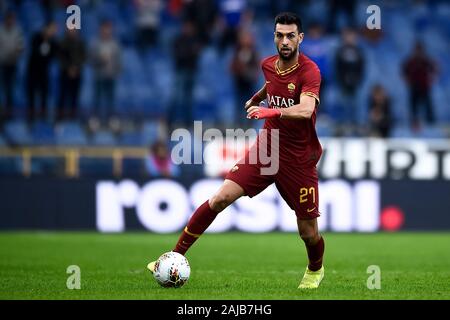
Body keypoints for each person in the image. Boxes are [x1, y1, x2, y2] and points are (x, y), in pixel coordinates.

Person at [148, 12, 325, 289]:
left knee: (308, 232)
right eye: (280, 35)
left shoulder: (309, 71)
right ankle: (173, 255)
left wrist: (268, 110)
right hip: (267, 148)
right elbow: (272, 85)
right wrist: (257, 97)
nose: (285, 41)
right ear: (274, 37)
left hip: (299, 159)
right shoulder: (268, 65)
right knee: (220, 198)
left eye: (291, 35)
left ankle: (315, 269)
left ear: (300, 38)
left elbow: (306, 110)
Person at [26, 21, 58, 123]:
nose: (53, 32)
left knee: (44, 95)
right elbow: (36, 53)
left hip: (44, 72)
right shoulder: (36, 38)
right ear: (46, 28)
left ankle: (43, 118)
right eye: (52, 29)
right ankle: (31, 119)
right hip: (33, 71)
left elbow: (53, 56)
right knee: (32, 96)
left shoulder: (53, 42)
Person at [402, 41, 437, 129]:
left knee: (428, 106)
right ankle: (414, 123)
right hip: (414, 87)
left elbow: (434, 70)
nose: (418, 52)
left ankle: (431, 123)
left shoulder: (426, 61)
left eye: (420, 50)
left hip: (424, 86)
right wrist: (407, 80)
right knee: (413, 106)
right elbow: (404, 71)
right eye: (417, 50)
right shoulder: (410, 61)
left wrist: (432, 79)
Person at [57, 29, 86, 121]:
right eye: (70, 29)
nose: (72, 31)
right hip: (64, 74)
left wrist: (75, 68)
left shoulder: (81, 43)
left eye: (74, 29)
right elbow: (60, 57)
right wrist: (68, 68)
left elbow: (83, 57)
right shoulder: (62, 43)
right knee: (63, 96)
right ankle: (60, 118)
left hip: (77, 74)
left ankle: (72, 118)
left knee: (74, 97)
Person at [0, 11, 24, 122]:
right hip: (2, 63)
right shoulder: (0, 30)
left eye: (12, 19)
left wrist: (15, 53)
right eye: (8, 19)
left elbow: (21, 47)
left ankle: (8, 115)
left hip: (12, 63)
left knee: (10, 90)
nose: (10, 21)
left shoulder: (17, 31)